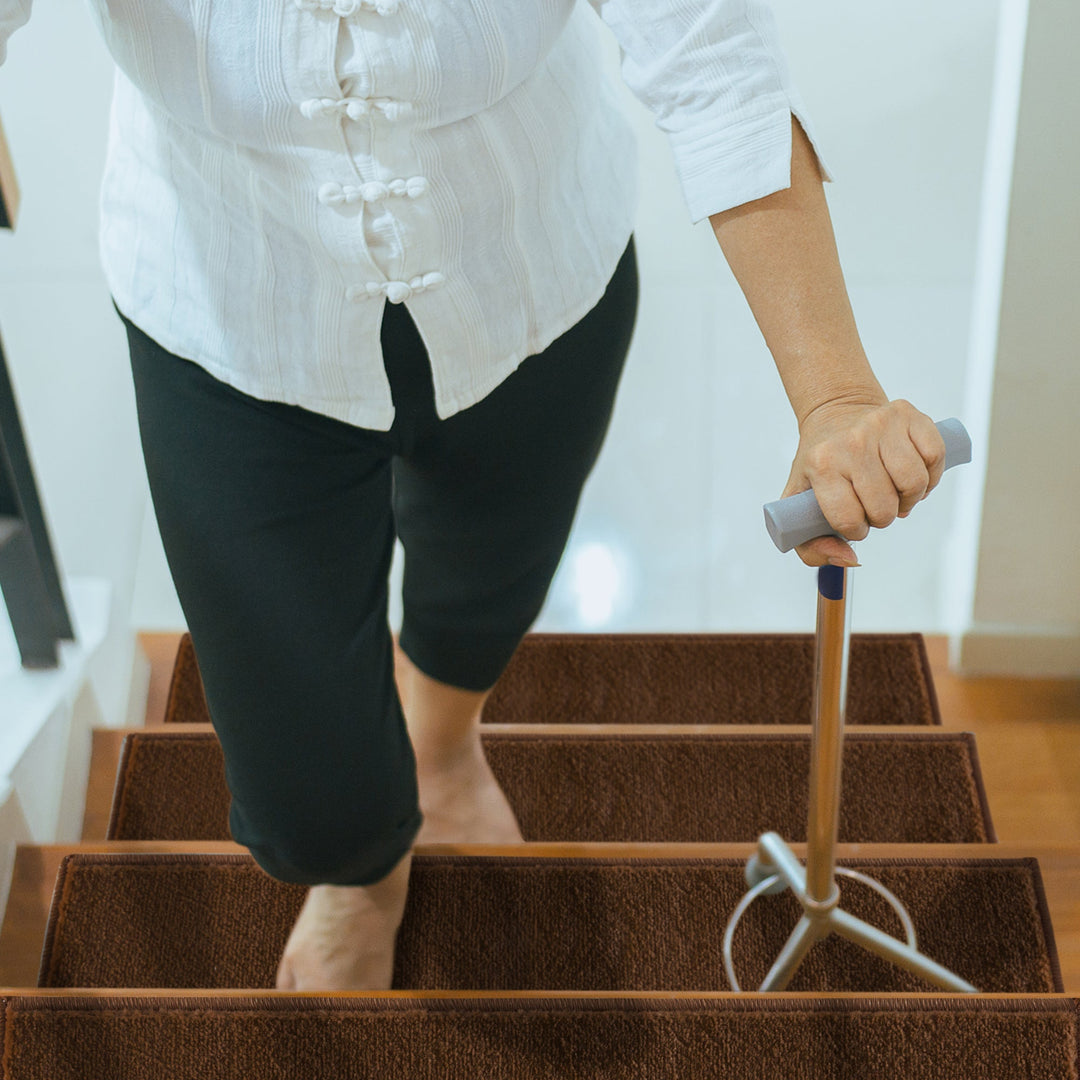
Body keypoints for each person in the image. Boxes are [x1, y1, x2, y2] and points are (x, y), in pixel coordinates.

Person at [0, 0, 946, 991]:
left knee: (488, 571)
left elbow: (715, 59)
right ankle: (356, 873)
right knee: (305, 794)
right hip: (234, 301)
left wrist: (834, 393)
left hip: (525, 269)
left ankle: (442, 744)